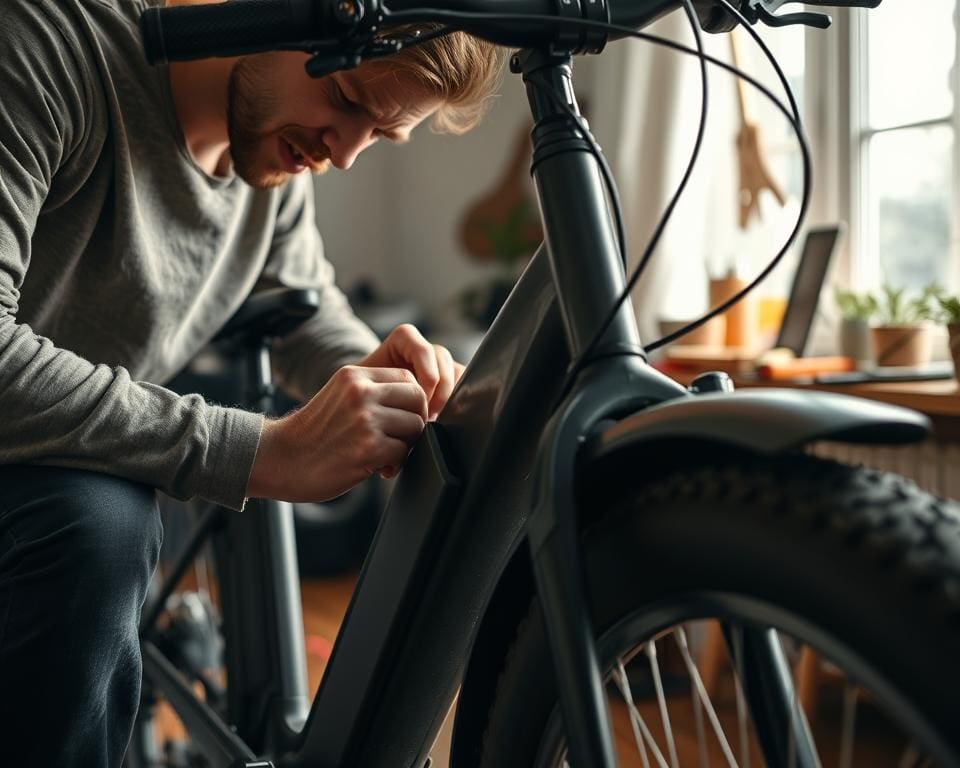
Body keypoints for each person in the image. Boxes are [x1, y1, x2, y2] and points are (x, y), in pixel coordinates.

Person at [0, 0, 501, 762]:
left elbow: (301, 302)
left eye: (384, 134)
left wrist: (381, 376)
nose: (345, 153)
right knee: (100, 523)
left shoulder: (271, 155)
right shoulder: (52, 44)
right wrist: (258, 451)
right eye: (345, 99)